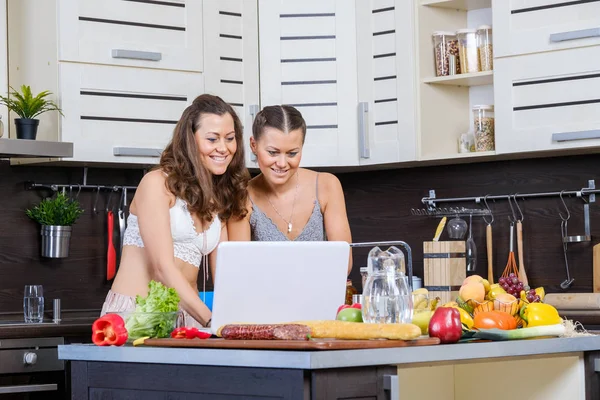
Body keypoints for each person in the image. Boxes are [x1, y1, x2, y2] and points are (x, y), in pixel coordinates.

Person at [100, 94, 249, 328]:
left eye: (230, 139)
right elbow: (162, 269)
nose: (224, 148)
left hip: (189, 318)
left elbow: (224, 276)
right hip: (137, 316)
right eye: (212, 139)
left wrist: (243, 319)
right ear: (190, 140)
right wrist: (212, 320)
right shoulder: (156, 184)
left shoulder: (218, 196)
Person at [227, 105, 353, 274]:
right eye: (272, 152)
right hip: (265, 299)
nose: (282, 163)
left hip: (320, 297)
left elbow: (343, 263)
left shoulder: (327, 185)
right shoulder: (242, 196)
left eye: (292, 153)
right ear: (253, 145)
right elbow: (239, 268)